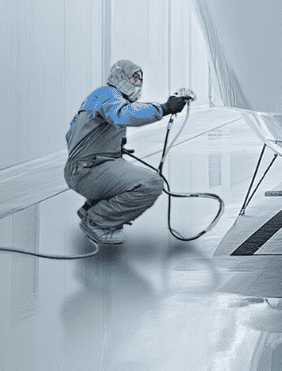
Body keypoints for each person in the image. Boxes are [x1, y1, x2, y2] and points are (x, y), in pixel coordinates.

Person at [65, 59, 195, 245]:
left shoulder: (102, 98)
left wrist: (105, 147)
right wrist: (165, 108)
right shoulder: (107, 94)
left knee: (129, 174)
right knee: (151, 183)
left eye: (140, 80)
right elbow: (125, 114)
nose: (138, 84)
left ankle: (90, 208)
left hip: (84, 168)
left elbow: (71, 136)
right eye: (134, 79)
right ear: (120, 76)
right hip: (87, 170)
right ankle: (97, 221)